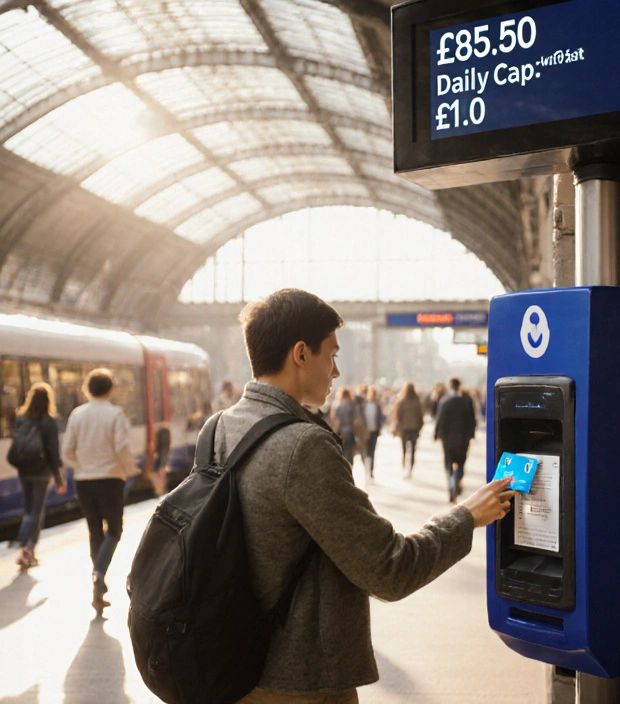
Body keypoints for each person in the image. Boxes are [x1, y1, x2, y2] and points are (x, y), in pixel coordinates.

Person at [221, 288, 515, 702]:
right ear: (301, 354)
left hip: (230, 666)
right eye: (332, 354)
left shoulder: (219, 428)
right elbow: (390, 569)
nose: (336, 371)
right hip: (299, 683)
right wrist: (465, 516)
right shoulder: (302, 446)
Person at [61, 368, 137, 615]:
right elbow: (122, 446)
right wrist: (128, 469)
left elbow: (68, 450)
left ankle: (98, 584)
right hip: (111, 479)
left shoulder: (76, 414)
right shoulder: (115, 414)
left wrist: (81, 465)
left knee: (95, 530)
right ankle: (99, 573)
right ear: (110, 389)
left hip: (84, 480)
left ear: (87, 388)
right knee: (114, 530)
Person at [10, 382, 66, 570]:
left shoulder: (21, 418)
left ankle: (26, 550)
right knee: (37, 510)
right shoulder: (48, 421)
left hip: (24, 471)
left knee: (28, 509)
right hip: (41, 472)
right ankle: (26, 546)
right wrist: (58, 477)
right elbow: (53, 450)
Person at [434, 378, 477, 503]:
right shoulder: (467, 401)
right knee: (461, 464)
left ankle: (451, 485)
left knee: (448, 465)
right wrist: (471, 435)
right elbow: (471, 420)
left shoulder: (445, 401)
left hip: (447, 440)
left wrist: (437, 434)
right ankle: (457, 481)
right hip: (463, 440)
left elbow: (440, 420)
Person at [391, 383, 424, 479]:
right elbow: (420, 416)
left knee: (404, 450)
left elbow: (397, 416)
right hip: (414, 429)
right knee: (413, 450)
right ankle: (411, 468)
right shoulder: (416, 401)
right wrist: (419, 427)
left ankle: (404, 467)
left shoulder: (401, 401)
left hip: (404, 429)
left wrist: (398, 427)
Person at [358, 385, 384, 483]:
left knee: (372, 451)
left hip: (374, 431)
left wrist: (380, 425)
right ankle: (366, 469)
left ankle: (370, 472)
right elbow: (361, 419)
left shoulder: (377, 405)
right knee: (365, 452)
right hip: (365, 432)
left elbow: (381, 417)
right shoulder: (364, 405)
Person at [329, 387, 360, 464]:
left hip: (342, 434)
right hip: (350, 433)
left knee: (343, 454)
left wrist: (333, 434)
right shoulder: (352, 405)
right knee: (350, 455)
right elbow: (356, 422)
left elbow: (337, 422)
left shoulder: (339, 407)